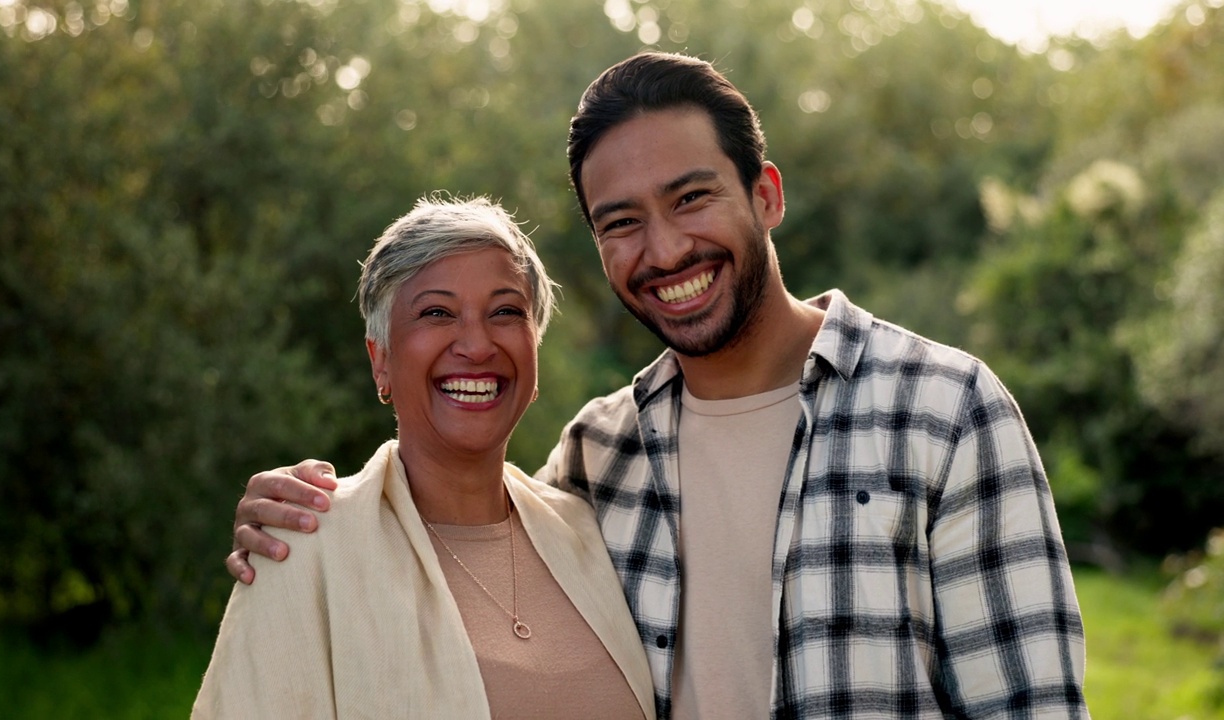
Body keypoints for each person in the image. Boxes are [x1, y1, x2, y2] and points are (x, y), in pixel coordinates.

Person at [227, 53, 1089, 719]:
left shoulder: (942, 412)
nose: (666, 250)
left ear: (767, 195)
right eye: (624, 222)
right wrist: (295, 515)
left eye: (691, 199)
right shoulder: (598, 459)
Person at [194, 196, 655, 719]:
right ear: (381, 360)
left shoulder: (588, 531)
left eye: (506, 311)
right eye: (437, 312)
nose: (477, 345)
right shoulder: (303, 549)